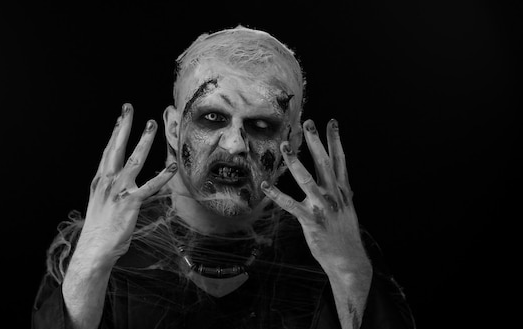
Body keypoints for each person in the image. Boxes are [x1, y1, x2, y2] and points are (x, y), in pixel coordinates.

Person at [32, 26, 416, 329]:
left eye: (262, 124)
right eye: (212, 117)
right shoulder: (98, 246)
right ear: (172, 128)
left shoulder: (336, 246)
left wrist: (349, 268)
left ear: (293, 140)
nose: (235, 145)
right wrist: (90, 264)